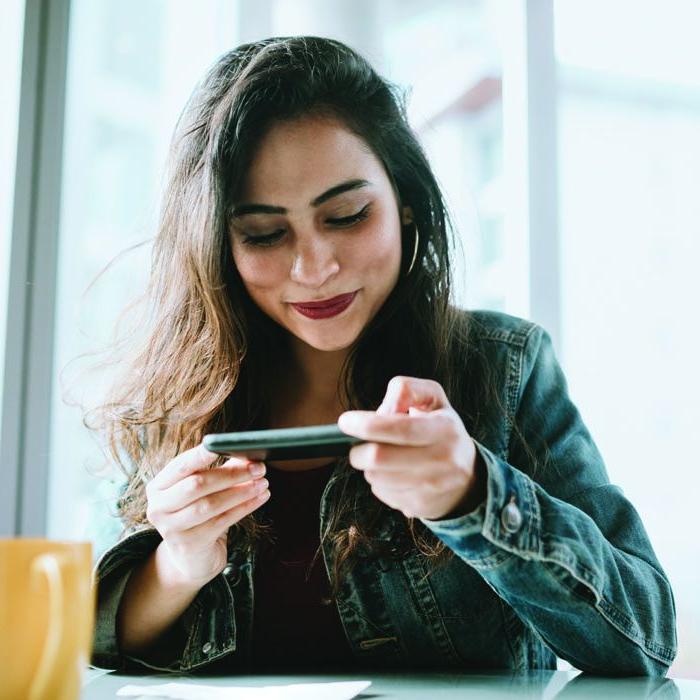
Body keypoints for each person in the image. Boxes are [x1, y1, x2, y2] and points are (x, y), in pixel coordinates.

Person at [90, 36, 677, 676]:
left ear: (403, 201)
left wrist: (474, 494)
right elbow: (93, 640)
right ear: (216, 245)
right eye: (264, 233)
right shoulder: (174, 395)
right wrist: (177, 562)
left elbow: (645, 641)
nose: (314, 268)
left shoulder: (504, 367)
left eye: (346, 215)